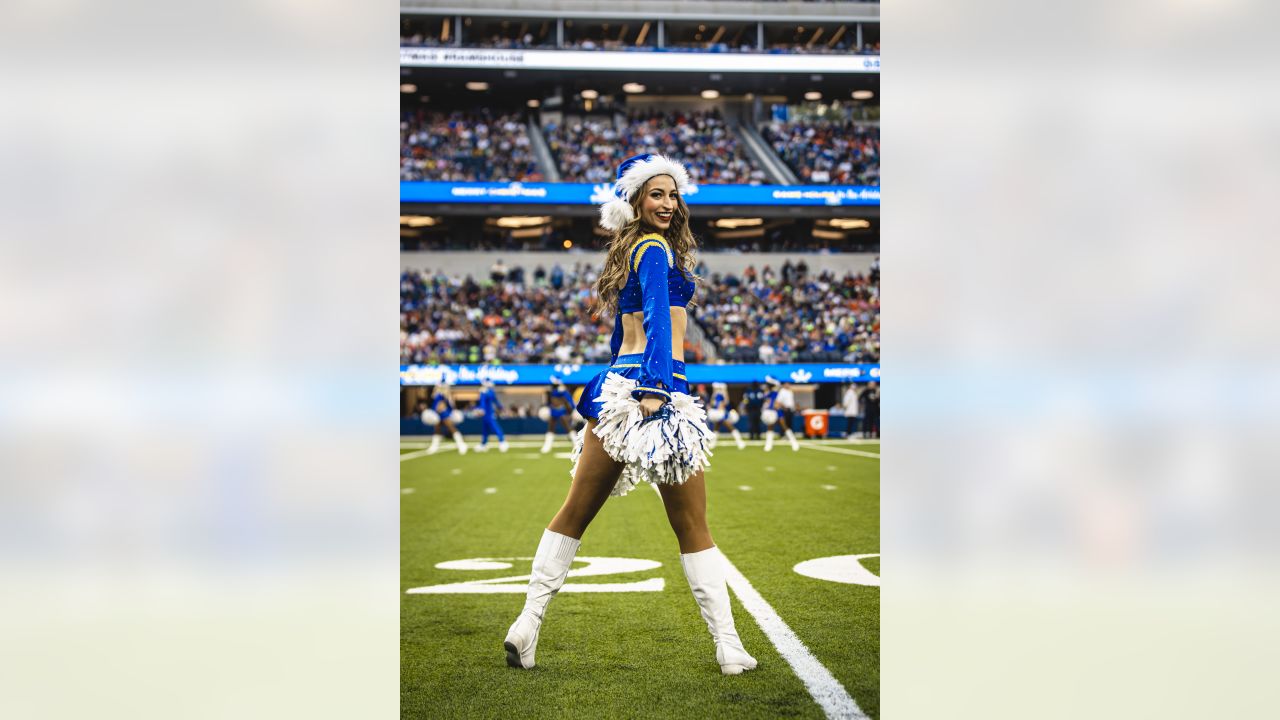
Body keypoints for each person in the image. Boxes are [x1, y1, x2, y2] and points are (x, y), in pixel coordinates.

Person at [504, 153, 756, 676]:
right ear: (637, 201)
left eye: (672, 195)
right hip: (654, 393)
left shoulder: (630, 249)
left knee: (574, 512)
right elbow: (661, 320)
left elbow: (623, 334)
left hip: (618, 389)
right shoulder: (655, 249)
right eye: (656, 195)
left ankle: (526, 624)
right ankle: (729, 646)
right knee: (692, 524)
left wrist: (631, 384)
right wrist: (657, 388)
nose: (667, 204)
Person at [425, 381, 468, 455]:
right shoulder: (437, 395)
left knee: (451, 427)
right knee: (437, 428)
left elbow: (447, 406)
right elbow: (436, 405)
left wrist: (446, 399)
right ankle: (434, 446)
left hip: (445, 414)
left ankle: (461, 444)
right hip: (437, 414)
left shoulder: (446, 396)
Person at [540, 376, 576, 454]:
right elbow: (548, 404)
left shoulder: (564, 392)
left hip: (566, 411)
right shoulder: (551, 392)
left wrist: (566, 407)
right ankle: (548, 444)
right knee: (551, 423)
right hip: (556, 411)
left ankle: (576, 443)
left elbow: (570, 406)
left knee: (565, 422)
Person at [762, 378, 800, 452]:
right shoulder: (769, 393)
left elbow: (777, 401)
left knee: (784, 425)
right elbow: (767, 400)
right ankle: (768, 445)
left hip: (777, 411)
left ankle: (794, 443)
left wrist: (777, 406)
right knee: (770, 427)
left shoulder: (779, 391)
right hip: (770, 411)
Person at [707, 381, 745, 449]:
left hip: (722, 413)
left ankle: (739, 441)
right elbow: (712, 403)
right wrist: (714, 392)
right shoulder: (715, 395)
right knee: (717, 427)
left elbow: (726, 402)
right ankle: (713, 443)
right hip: (717, 413)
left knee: (729, 426)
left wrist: (724, 390)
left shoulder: (722, 394)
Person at [475, 378, 509, 453]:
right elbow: (494, 401)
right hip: (486, 414)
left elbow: (488, 401)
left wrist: (482, 409)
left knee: (495, 427)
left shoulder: (486, 391)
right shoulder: (487, 391)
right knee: (485, 429)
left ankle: (502, 442)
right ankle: (483, 444)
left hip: (488, 413)